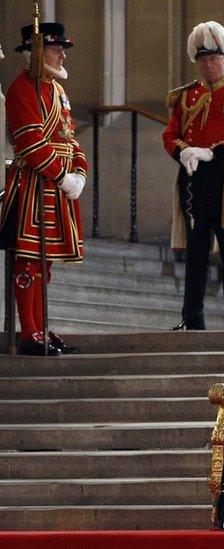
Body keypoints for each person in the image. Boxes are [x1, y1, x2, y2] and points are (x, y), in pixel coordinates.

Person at [162, 21, 224, 331]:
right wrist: (184, 152)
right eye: (203, 60)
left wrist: (212, 152)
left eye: (214, 59)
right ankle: (192, 318)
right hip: (193, 177)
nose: (208, 65)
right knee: (196, 251)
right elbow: (170, 134)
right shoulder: (186, 96)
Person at [1, 22, 86, 356]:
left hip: (56, 186)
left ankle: (40, 328)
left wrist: (79, 171)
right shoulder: (23, 88)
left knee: (45, 263)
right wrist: (62, 175)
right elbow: (29, 141)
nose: (63, 55)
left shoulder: (57, 91)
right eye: (56, 49)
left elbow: (69, 136)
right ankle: (29, 332)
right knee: (29, 261)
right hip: (34, 185)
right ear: (38, 52)